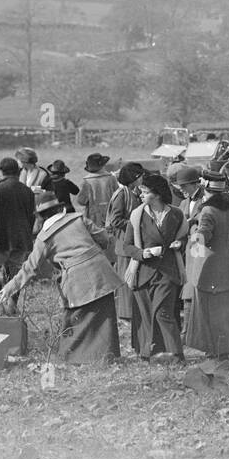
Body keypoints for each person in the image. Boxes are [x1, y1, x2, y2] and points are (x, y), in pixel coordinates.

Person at [0, 191, 124, 364]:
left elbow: (30, 268)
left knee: (73, 320)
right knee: (104, 316)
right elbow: (103, 238)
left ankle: (72, 358)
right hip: (101, 272)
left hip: (77, 280)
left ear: (40, 216)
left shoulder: (44, 238)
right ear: (60, 208)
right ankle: (106, 356)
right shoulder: (78, 219)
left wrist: (8, 288)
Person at [124, 173, 188, 361]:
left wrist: (180, 243)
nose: (141, 195)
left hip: (168, 271)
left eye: (145, 192)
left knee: (163, 312)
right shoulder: (137, 216)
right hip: (143, 271)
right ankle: (150, 352)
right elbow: (127, 245)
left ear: (158, 194)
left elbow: (183, 237)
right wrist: (142, 253)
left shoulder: (176, 214)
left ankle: (176, 354)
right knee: (145, 314)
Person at [184, 170, 229, 357]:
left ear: (206, 188)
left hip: (209, 266)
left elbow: (203, 238)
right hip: (227, 263)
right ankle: (225, 348)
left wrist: (192, 230)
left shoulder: (208, 210)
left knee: (208, 310)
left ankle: (213, 349)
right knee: (225, 310)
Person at [0, 156, 37, 304]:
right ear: (18, 172)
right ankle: (12, 305)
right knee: (15, 275)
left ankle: (0, 306)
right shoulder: (28, 191)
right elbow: (32, 218)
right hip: (21, 240)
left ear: (1, 172)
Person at [107, 162, 147, 334]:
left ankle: (131, 313)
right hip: (124, 243)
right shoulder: (121, 195)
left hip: (133, 243)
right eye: (141, 176)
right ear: (135, 178)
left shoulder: (133, 192)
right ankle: (125, 316)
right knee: (125, 280)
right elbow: (114, 221)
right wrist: (135, 224)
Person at [75, 152, 117, 233]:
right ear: (103, 165)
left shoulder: (87, 182)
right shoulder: (111, 178)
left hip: (93, 218)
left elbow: (81, 201)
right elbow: (118, 196)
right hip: (111, 215)